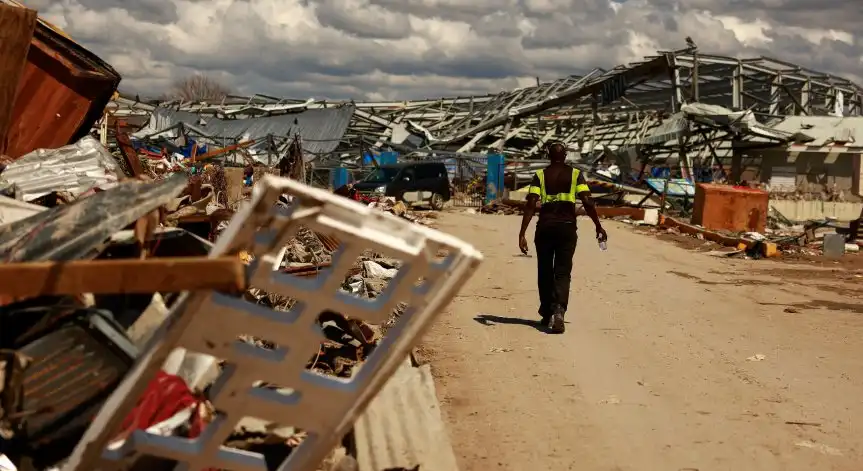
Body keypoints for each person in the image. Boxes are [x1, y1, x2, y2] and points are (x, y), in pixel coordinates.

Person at [518, 141, 607, 333]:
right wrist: (598, 226)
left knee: (544, 270)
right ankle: (559, 310)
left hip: (545, 228)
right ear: (565, 155)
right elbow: (587, 201)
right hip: (567, 229)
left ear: (548, 156)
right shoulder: (575, 175)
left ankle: (546, 311)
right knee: (562, 272)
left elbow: (531, 203)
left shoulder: (540, 175)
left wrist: (522, 233)